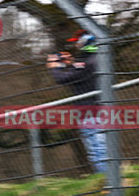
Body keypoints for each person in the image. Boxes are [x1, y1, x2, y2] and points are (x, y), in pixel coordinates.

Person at [46, 29, 107, 173]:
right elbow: (79, 72)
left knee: (98, 149)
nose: (76, 46)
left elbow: (63, 78)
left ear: (85, 42)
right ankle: (107, 180)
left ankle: (108, 181)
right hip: (95, 110)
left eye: (78, 43)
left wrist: (55, 67)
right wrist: (71, 62)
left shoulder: (88, 63)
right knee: (98, 149)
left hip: (90, 111)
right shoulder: (96, 60)